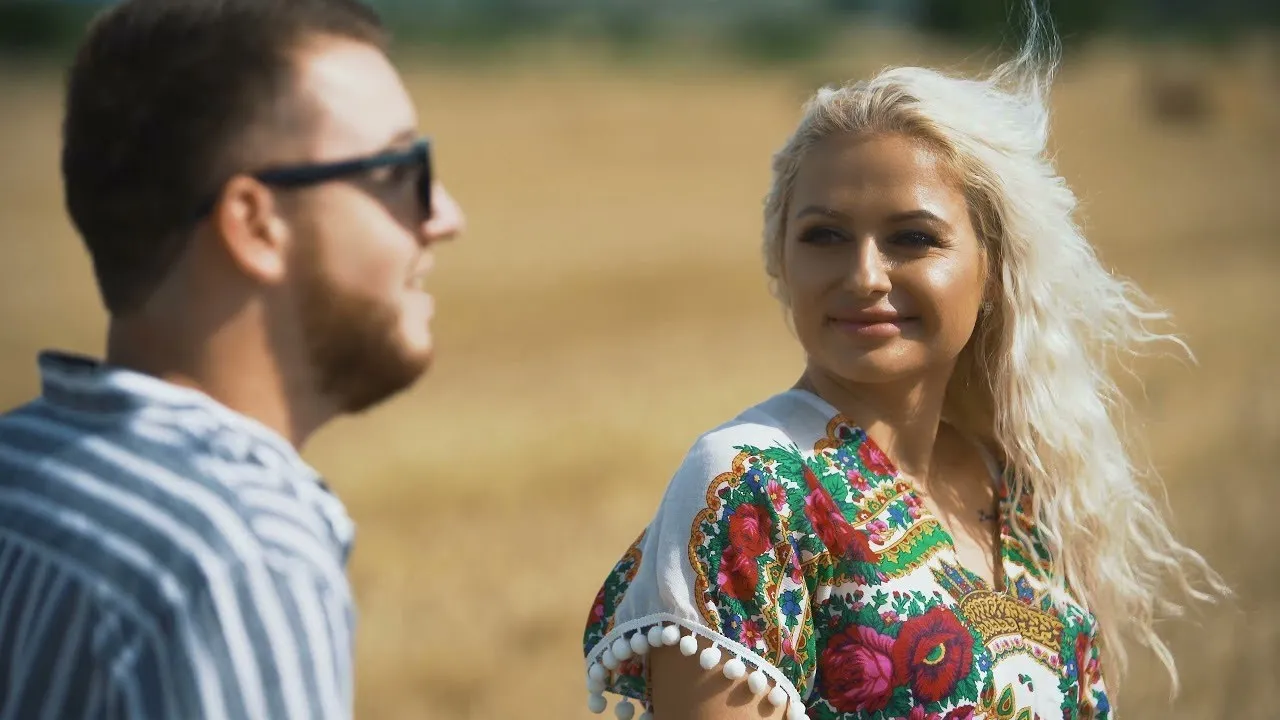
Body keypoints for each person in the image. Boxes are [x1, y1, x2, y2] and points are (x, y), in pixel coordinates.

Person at [580, 11, 1227, 720]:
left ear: (993, 270)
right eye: (824, 235)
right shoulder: (749, 483)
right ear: (781, 259)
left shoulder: (1018, 485)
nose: (864, 276)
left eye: (912, 238)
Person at [0, 0, 463, 717]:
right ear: (254, 224)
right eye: (399, 170)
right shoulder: (237, 558)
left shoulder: (20, 473)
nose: (444, 216)